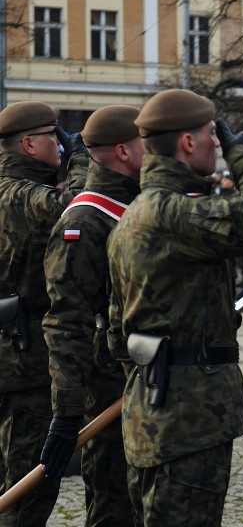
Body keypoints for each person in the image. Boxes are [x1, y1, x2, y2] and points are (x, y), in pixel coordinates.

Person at [106, 89, 243, 525]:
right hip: (188, 419)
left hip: (154, 407)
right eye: (213, 135)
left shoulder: (134, 214)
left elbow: (117, 332)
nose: (218, 144)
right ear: (188, 143)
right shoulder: (174, 213)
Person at [40, 105, 144, 525]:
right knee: (112, 499)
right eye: (146, 143)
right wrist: (66, 412)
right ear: (122, 150)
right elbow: (66, 321)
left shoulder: (142, 202)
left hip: (146, 381)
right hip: (107, 386)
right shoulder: (85, 219)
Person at [0, 101, 88, 525]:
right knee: (28, 480)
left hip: (13, 349)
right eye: (53, 136)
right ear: (28, 144)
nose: (60, 143)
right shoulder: (17, 193)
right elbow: (79, 207)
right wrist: (84, 157)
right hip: (24, 360)